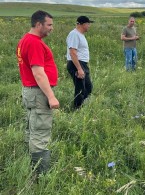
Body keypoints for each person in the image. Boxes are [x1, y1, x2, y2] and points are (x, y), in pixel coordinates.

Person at [16, 10, 59, 175]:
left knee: (32, 128)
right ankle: (41, 174)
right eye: (49, 25)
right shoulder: (34, 43)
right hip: (38, 92)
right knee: (40, 131)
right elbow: (38, 73)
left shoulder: (25, 40)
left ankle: (31, 164)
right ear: (38, 24)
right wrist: (51, 96)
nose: (51, 28)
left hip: (30, 92)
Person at [66, 16, 94, 109]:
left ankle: (82, 106)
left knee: (88, 87)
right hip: (76, 64)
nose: (89, 26)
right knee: (81, 89)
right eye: (88, 23)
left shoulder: (80, 35)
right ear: (83, 24)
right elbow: (72, 52)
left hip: (82, 64)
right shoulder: (74, 34)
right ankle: (77, 108)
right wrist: (79, 68)